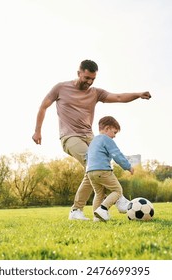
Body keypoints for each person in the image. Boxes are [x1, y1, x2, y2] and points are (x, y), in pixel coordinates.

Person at [32, 59, 151, 220]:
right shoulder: (61, 88)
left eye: (92, 79)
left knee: (95, 170)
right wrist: (37, 131)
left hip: (90, 137)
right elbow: (43, 106)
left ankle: (87, 212)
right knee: (92, 166)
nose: (89, 82)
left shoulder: (95, 92)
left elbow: (117, 97)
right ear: (79, 73)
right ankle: (118, 199)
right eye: (86, 78)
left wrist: (137, 95)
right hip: (70, 136)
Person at [86, 116, 134, 222]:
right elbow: (117, 154)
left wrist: (89, 168)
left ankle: (96, 217)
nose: (114, 136)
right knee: (117, 190)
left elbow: (87, 156)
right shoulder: (106, 139)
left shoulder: (93, 141)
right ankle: (103, 209)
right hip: (103, 170)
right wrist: (128, 166)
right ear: (107, 129)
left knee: (99, 194)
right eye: (114, 132)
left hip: (90, 172)